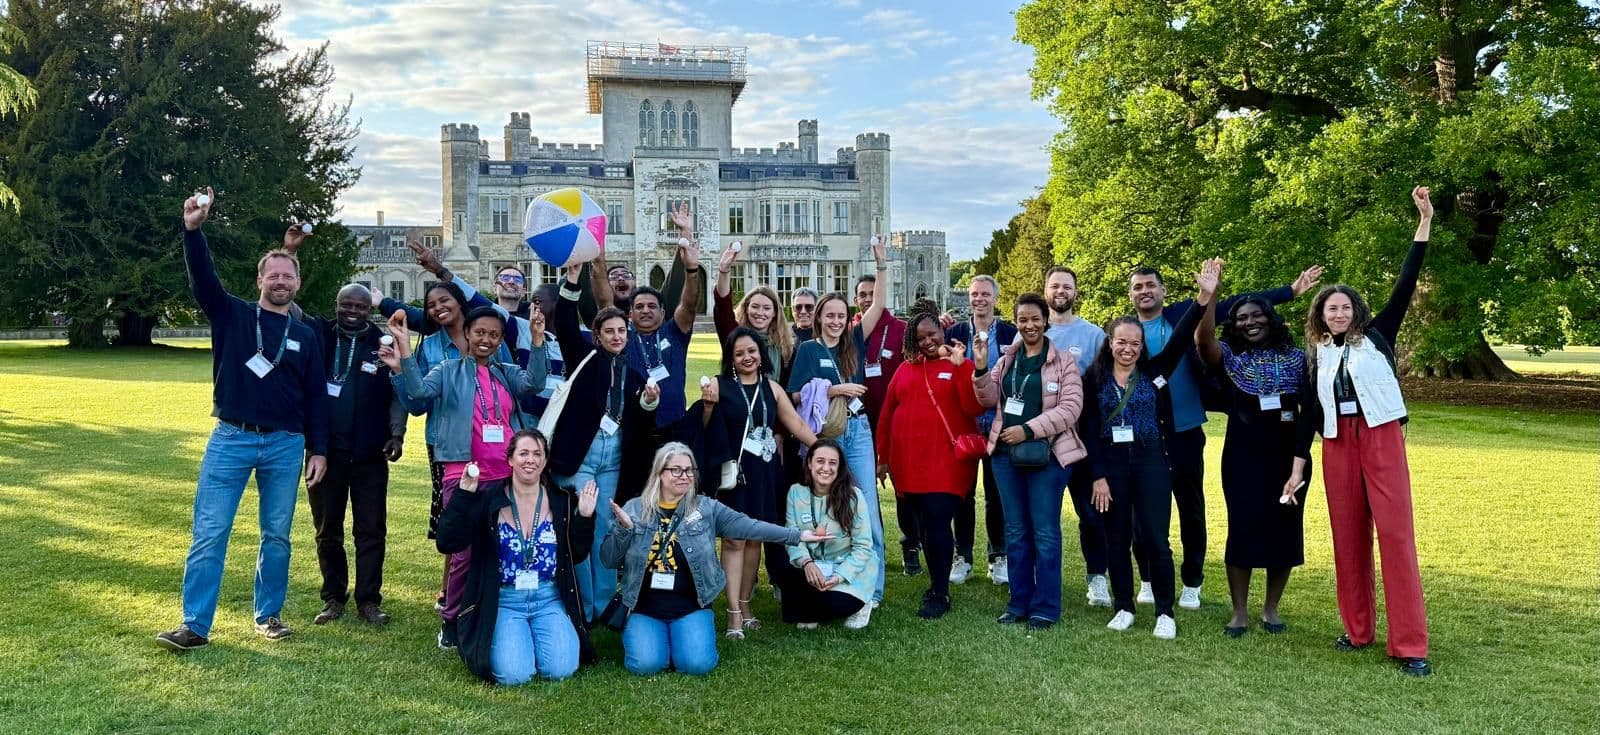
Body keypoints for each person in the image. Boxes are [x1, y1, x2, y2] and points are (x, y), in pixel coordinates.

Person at [157, 189, 329, 651]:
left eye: (287, 275)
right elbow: (204, 283)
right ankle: (194, 625)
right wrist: (194, 230)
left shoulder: (306, 334)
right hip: (231, 438)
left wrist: (320, 449)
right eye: (272, 274)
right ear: (259, 280)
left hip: (286, 445)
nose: (280, 280)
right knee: (210, 531)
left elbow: (316, 396)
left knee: (277, 534)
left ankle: (268, 615)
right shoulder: (232, 314)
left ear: (297, 282)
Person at [1291, 187, 1433, 676]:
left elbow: (1407, 281)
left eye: (1345, 307)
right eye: (1330, 308)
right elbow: (1310, 412)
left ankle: (1410, 645)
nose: (1338, 313)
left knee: (1395, 535)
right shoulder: (1317, 355)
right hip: (1336, 444)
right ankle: (1358, 630)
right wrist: (1297, 465)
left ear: (1355, 311)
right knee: (1347, 537)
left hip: (1381, 436)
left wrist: (1424, 221)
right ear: (1320, 315)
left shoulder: (1378, 337)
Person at [1126, 259, 1322, 609]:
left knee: (1191, 508)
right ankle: (1147, 578)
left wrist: (1290, 291)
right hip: (1143, 433)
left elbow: (1239, 305)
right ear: (1130, 295)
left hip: (1184, 427)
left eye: (1150, 285)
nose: (1145, 291)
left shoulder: (1183, 313)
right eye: (1138, 287)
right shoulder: (1127, 331)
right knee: (1144, 511)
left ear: (1163, 290)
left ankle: (1192, 582)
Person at [379, 306, 550, 649]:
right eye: (480, 333)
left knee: (505, 548)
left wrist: (536, 340)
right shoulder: (448, 370)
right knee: (464, 553)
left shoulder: (506, 372)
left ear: (501, 340)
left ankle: (496, 612)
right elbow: (419, 394)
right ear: (468, 334)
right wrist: (405, 352)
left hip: (506, 477)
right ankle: (452, 619)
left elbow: (536, 383)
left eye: (494, 335)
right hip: (464, 475)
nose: (486, 339)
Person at [601, 443, 833, 675]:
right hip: (645, 607)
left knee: (698, 665)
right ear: (659, 473)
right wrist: (624, 530)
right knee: (644, 665)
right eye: (677, 470)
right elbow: (608, 559)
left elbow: (751, 527)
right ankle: (660, 642)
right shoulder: (635, 509)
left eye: (690, 470)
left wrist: (798, 536)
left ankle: (676, 641)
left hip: (690, 606)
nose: (685, 476)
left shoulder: (706, 509)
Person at [1081, 260, 1220, 640]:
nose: (1127, 349)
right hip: (1110, 468)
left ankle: (1164, 611)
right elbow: (1088, 431)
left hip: (1151, 463)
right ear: (1110, 343)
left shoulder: (1155, 373)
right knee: (1117, 538)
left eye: (1135, 343)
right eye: (1121, 342)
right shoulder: (1093, 379)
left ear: (1142, 347)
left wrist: (1204, 298)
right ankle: (1123, 606)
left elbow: (1181, 337)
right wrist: (1097, 476)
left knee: (1156, 539)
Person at [435, 430, 599, 684]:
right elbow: (448, 542)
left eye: (537, 454)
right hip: (504, 600)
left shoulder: (561, 500)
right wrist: (464, 495)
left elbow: (577, 554)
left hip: (548, 597)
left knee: (561, 669)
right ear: (510, 459)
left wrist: (585, 518)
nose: (530, 460)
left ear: (545, 461)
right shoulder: (489, 500)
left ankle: (534, 638)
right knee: (513, 675)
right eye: (523, 453)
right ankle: (517, 641)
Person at [549, 262, 664, 621]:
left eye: (621, 331)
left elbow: (640, 419)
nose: (616, 336)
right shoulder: (583, 356)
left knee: (604, 528)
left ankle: (600, 605)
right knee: (583, 525)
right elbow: (566, 323)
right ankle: (582, 605)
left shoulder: (632, 371)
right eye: (609, 331)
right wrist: (571, 280)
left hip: (612, 459)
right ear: (597, 335)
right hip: (581, 457)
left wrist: (648, 401)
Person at [688, 327, 819, 637]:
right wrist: (707, 406)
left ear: (761, 355)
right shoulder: (719, 386)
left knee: (755, 540)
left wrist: (823, 450)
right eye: (739, 353)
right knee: (734, 540)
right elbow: (703, 428)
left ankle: (746, 603)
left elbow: (795, 423)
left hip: (765, 473)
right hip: (735, 475)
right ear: (730, 360)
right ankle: (733, 610)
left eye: (752, 351)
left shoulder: (772, 388)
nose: (747, 357)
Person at [1195, 291, 1309, 637]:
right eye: (1241, 318)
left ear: (1270, 318)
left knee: (1284, 531)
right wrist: (1210, 297)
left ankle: (1271, 609)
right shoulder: (1231, 357)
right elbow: (1204, 340)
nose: (1249, 322)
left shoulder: (1297, 358)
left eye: (1256, 315)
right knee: (1243, 529)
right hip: (1243, 458)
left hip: (1289, 460)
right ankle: (1239, 612)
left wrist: (1298, 463)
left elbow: (1310, 412)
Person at [294, 281, 407, 626]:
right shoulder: (319, 334)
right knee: (327, 529)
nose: (353, 312)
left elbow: (398, 391)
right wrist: (291, 252)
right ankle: (333, 598)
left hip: (371, 453)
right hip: (324, 453)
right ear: (336, 304)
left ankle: (369, 601)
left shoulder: (383, 343)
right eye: (347, 306)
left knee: (371, 530)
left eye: (361, 307)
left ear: (370, 310)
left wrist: (397, 434)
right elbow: (288, 303)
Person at [787, 240, 890, 607]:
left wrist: (881, 264)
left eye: (840, 315)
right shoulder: (808, 350)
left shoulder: (855, 343)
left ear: (848, 319)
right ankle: (828, 577)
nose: (834, 321)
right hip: (826, 437)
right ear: (817, 319)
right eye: (827, 315)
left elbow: (877, 305)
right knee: (827, 507)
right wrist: (834, 389)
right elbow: (795, 395)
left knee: (867, 507)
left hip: (859, 431)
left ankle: (873, 591)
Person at [972, 293, 1084, 631]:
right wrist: (979, 367)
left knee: (1045, 532)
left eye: (1035, 319)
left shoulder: (1064, 361)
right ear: (1016, 322)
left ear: (1045, 321)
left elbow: (1070, 409)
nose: (1029, 325)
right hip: (1005, 458)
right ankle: (1019, 601)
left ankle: (1046, 606)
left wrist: (1027, 430)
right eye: (1023, 319)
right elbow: (987, 399)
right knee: (1016, 531)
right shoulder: (1006, 359)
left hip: (1047, 457)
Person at [877, 300, 989, 618]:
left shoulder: (957, 364)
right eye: (920, 337)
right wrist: (882, 458)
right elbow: (887, 414)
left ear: (943, 331)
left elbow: (973, 408)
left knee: (938, 520)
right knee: (925, 525)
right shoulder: (904, 369)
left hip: (946, 463)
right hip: (909, 464)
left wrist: (964, 366)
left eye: (932, 334)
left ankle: (940, 591)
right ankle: (936, 580)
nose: (927, 341)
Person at [593, 203, 701, 429]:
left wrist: (692, 269)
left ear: (663, 312)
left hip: (674, 423)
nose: (645, 310)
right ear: (629, 314)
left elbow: (689, 305)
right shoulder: (621, 336)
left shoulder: (674, 332)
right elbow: (605, 302)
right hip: (633, 425)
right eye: (639, 306)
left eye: (652, 306)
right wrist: (598, 258)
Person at [1043, 266, 1112, 604]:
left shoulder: (1094, 336)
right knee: (1045, 518)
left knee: (1091, 515)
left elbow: (1105, 390)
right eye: (1054, 286)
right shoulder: (1030, 333)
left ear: (1075, 291)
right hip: (1045, 444)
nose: (1060, 291)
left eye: (1066, 286)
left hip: (1084, 441)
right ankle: (1043, 581)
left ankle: (1097, 577)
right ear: (1045, 290)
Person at [942, 276, 1016, 586]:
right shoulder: (955, 332)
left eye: (985, 294)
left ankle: (998, 556)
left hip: (999, 422)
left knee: (997, 493)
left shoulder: (1011, 333)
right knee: (963, 493)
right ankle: (963, 555)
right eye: (974, 294)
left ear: (995, 299)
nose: (979, 299)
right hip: (965, 423)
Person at [779, 440, 878, 629]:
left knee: (833, 604)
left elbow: (863, 547)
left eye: (833, 463)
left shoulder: (853, 496)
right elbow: (793, 538)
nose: (826, 468)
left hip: (848, 570)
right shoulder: (795, 492)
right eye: (820, 461)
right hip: (814, 568)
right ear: (809, 463)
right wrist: (807, 563)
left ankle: (862, 604)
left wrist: (840, 576)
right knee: (786, 577)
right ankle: (812, 607)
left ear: (839, 467)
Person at [850, 253, 908, 573]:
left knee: (903, 487)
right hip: (859, 423)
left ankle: (910, 542)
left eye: (873, 295)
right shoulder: (850, 330)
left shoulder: (900, 329)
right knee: (863, 490)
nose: (867, 300)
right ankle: (874, 544)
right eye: (862, 295)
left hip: (896, 423)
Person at [713, 245, 797, 382]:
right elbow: (722, 305)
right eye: (755, 307)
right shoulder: (734, 335)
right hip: (737, 401)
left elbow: (787, 388)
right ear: (746, 308)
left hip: (771, 402)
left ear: (775, 312)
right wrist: (724, 271)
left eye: (766, 308)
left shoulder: (785, 347)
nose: (760, 313)